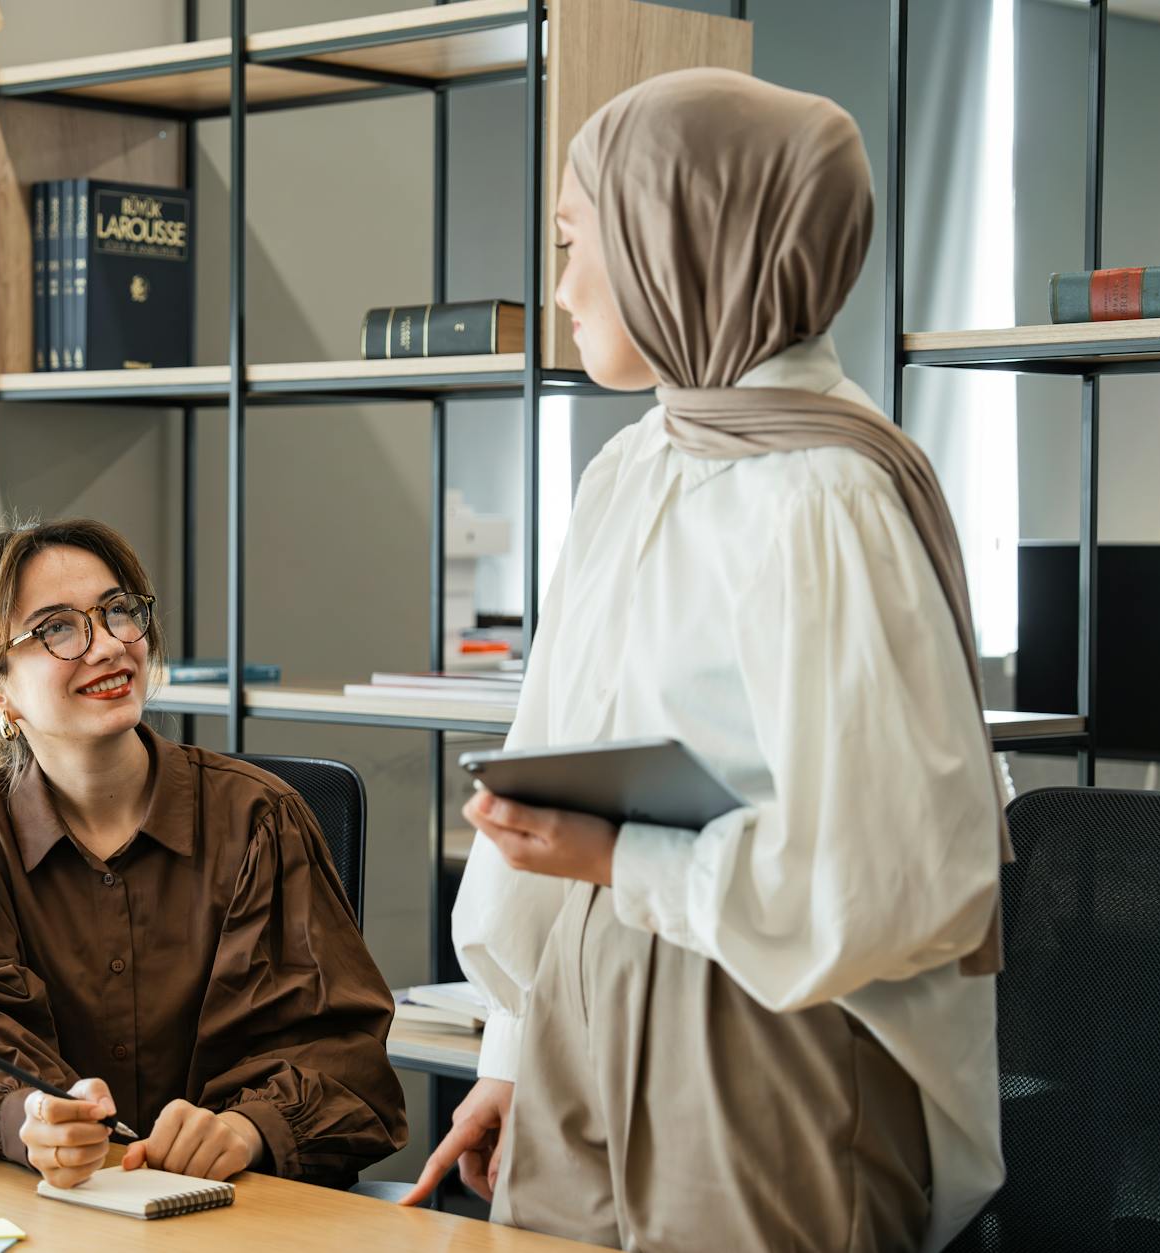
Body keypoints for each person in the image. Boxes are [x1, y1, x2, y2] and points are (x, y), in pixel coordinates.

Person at [400, 68, 1007, 1253]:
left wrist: (624, 858)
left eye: (580, 240)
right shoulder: (630, 470)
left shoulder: (825, 496)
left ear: (684, 242)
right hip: (582, 993)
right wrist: (517, 1049)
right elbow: (560, 769)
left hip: (753, 1027)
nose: (562, 283)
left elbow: (888, 877)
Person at [0, 517, 405, 1190]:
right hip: (57, 1212)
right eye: (57, 628)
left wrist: (247, 1129)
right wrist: (28, 1116)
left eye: (118, 611)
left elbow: (347, 1060)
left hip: (240, 1217)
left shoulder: (259, 820)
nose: (109, 646)